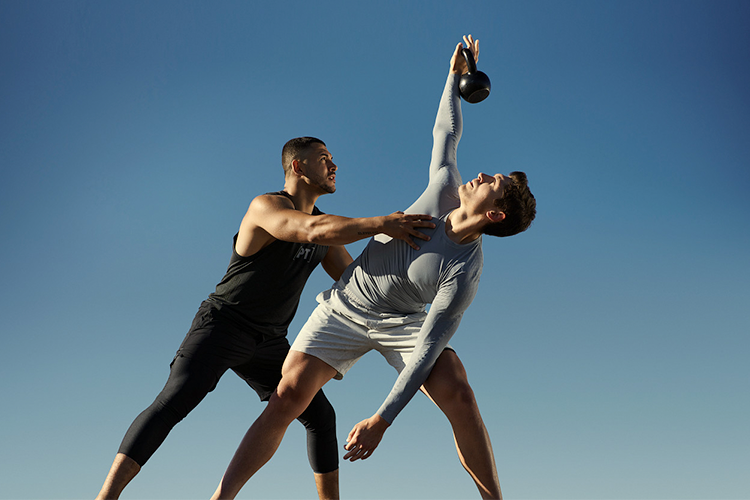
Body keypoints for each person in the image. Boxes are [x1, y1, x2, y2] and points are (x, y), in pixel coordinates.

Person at [210, 35, 536, 500]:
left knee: (460, 393)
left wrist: (381, 420)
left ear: (496, 214)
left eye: (493, 183)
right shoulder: (444, 187)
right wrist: (452, 76)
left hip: (402, 324)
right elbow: (446, 132)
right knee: (286, 398)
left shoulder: (464, 272)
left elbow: (425, 353)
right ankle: (221, 497)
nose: (482, 175)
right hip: (344, 307)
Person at [95, 136, 436, 500]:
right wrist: (382, 223)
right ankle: (106, 496)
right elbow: (307, 230)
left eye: (333, 158)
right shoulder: (266, 207)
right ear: (298, 167)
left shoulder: (325, 230)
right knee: (176, 397)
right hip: (223, 325)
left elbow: (356, 281)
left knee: (319, 415)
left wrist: (420, 281)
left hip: (270, 342)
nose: (334, 165)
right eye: (324, 158)